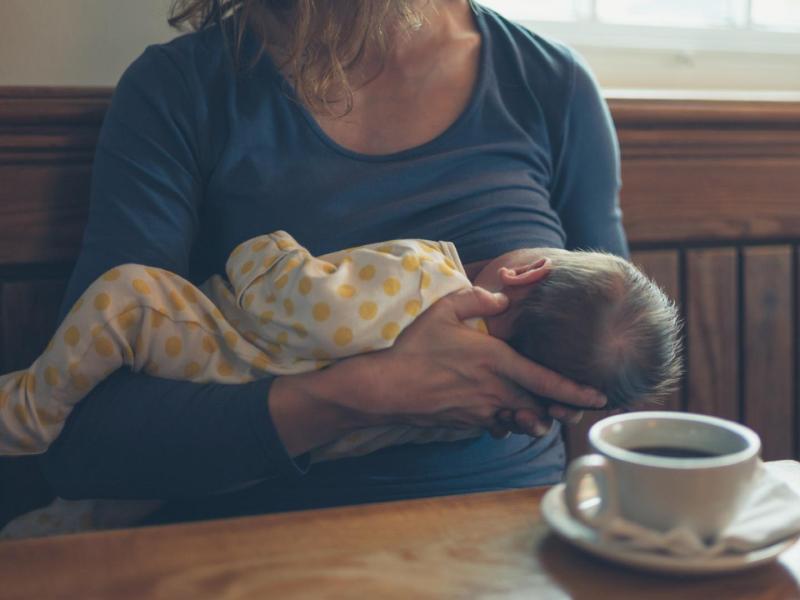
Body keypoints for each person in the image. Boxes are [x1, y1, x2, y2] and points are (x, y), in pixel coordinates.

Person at [35, 0, 627, 524]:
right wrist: (369, 393)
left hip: (511, 535)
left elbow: (610, 371)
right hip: (253, 547)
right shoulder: (180, 89)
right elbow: (87, 446)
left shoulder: (552, 86)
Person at [1, 232, 680, 460]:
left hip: (209, 351)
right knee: (114, 512)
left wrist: (265, 253)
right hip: (265, 458)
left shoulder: (427, 275)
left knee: (128, 296)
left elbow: (290, 299)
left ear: (525, 270)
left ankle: (29, 411)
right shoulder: (477, 413)